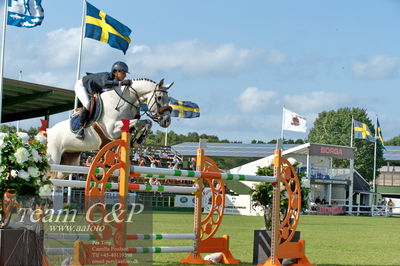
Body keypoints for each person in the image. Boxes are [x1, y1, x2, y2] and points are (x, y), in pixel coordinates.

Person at [74, 61, 132, 139]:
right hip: (82, 86)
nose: (125, 75)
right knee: (87, 104)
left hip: (94, 88)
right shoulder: (106, 76)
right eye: (123, 73)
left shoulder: (114, 81)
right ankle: (81, 129)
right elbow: (105, 84)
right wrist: (122, 83)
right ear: (116, 72)